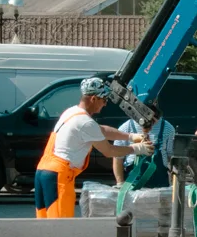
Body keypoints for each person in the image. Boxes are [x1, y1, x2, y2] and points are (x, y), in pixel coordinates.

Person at [35, 77, 151, 220]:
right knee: (60, 225)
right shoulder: (85, 123)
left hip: (43, 172)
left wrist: (131, 136)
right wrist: (137, 148)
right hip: (58, 176)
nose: (105, 104)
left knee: (43, 223)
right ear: (94, 98)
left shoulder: (72, 112)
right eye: (104, 100)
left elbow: (101, 130)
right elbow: (109, 151)